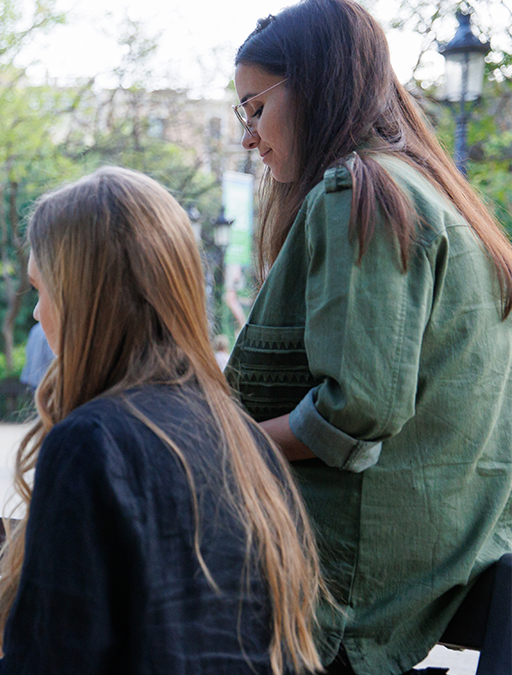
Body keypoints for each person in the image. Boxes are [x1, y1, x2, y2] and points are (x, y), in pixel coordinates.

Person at [225, 1, 512, 673]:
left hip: (346, 585)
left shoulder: (356, 190)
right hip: (434, 552)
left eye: (256, 107)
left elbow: (356, 410)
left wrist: (217, 445)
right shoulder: (437, 196)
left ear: (316, 85)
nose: (250, 136)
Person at [0, 167, 323, 675]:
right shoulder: (241, 435)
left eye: (41, 289)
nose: (37, 314)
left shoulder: (91, 444)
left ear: (84, 300)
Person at [18, 322, 54, 393]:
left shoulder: (35, 329)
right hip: (48, 382)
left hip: (34, 381)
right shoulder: (51, 330)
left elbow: (28, 353)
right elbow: (53, 358)